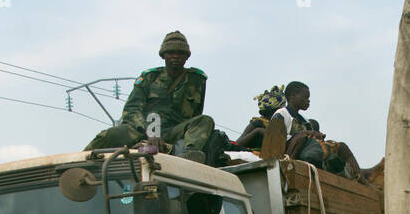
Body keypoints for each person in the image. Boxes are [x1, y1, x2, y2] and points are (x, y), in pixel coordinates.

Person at [87, 31, 224, 163]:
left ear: (187, 56)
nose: (175, 56)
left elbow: (196, 114)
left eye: (180, 53)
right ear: (163, 55)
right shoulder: (149, 78)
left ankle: (189, 154)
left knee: (205, 120)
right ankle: (78, 162)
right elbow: (132, 110)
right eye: (171, 52)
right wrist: (151, 132)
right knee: (109, 135)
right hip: (143, 128)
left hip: (173, 131)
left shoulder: (197, 80)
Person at [271, 81, 378, 182]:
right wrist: (306, 134)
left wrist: (317, 136)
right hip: (291, 153)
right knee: (306, 142)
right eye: (305, 97)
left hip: (307, 151)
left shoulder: (305, 120)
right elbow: (276, 141)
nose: (308, 100)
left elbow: (311, 141)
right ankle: (362, 174)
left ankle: (361, 177)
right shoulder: (281, 114)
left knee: (341, 147)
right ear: (293, 96)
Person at [235, 85, 287, 154]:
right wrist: (258, 131)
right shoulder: (258, 123)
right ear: (275, 109)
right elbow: (238, 144)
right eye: (283, 106)